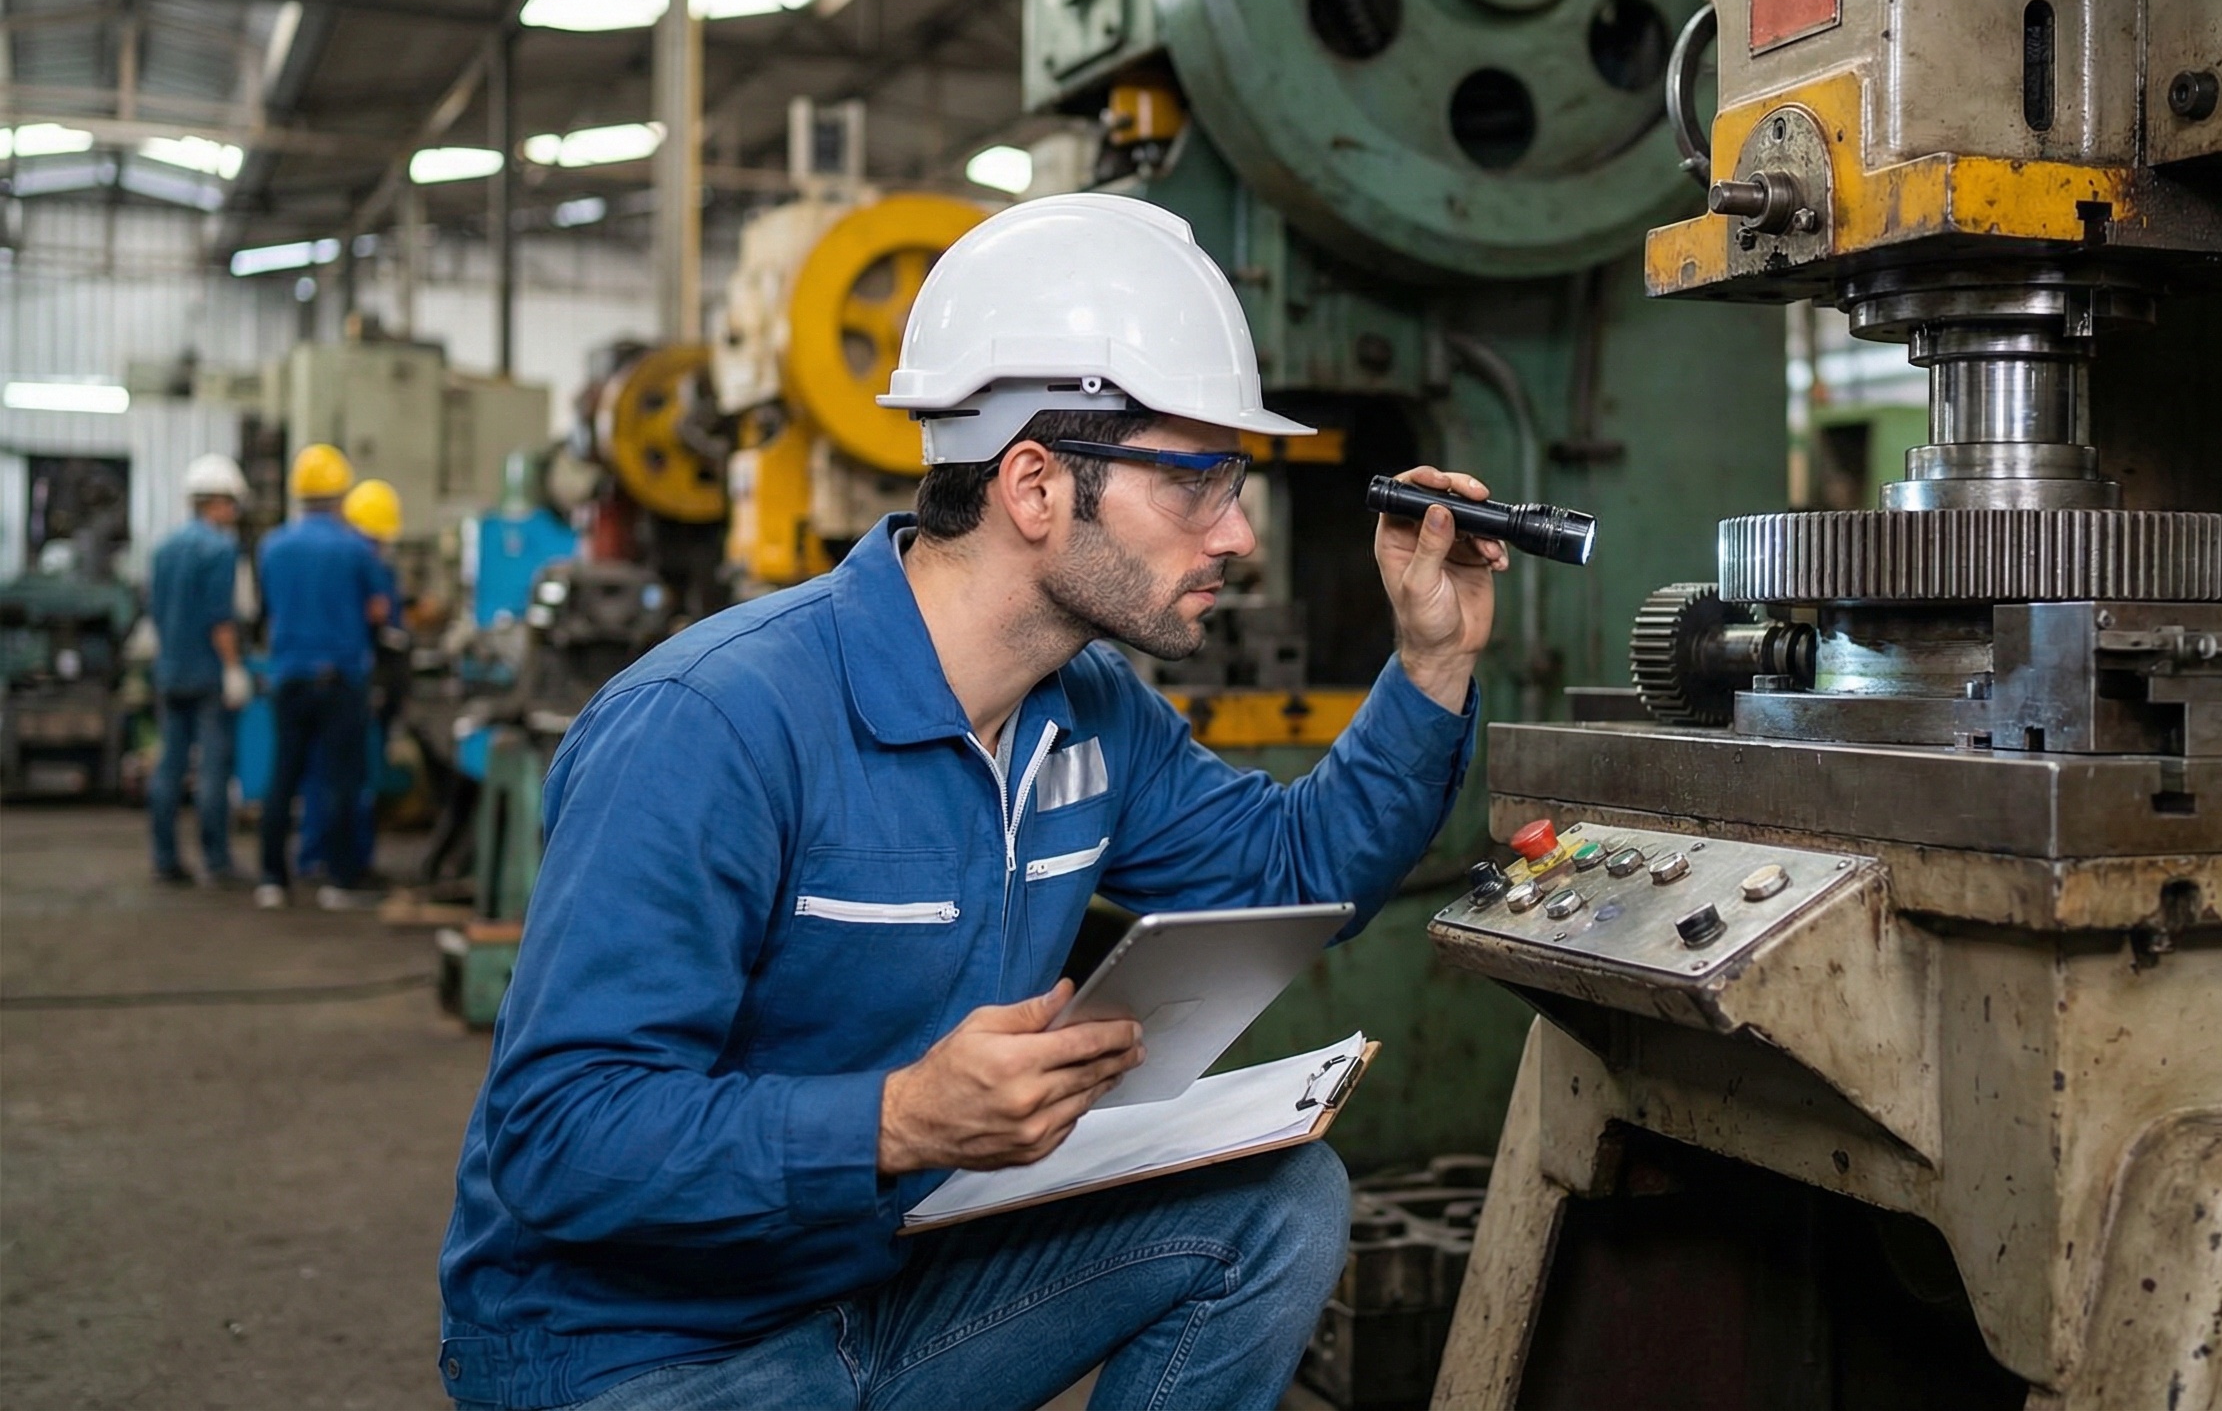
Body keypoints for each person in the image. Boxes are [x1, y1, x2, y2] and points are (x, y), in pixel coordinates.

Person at [437, 194, 1506, 1411]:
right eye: (1201, 482)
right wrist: (896, 1121)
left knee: (1273, 1202)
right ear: (1036, 485)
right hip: (640, 1350)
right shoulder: (716, 725)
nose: (1240, 534)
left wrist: (1431, 665)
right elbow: (559, 1138)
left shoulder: (1086, 711)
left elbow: (1294, 874)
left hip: (879, 1285)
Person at [253, 443, 396, 911]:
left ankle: (273, 879)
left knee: (283, 777)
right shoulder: (355, 548)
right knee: (339, 780)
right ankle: (338, 880)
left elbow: (267, 609)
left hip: (288, 675)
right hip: (340, 678)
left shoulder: (272, 547)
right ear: (340, 494)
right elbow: (378, 610)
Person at [145, 453, 254, 886]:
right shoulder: (221, 548)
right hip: (208, 675)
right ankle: (217, 861)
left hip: (170, 671)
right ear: (220, 502)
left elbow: (155, 609)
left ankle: (165, 857)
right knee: (212, 770)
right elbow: (219, 619)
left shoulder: (165, 548)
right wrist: (233, 668)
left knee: (169, 767)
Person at [300, 478, 407, 885]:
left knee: (317, 772)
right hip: (355, 681)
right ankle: (351, 861)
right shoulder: (368, 564)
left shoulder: (322, 556)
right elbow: (383, 620)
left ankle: (313, 856)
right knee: (353, 778)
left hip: (309, 675)